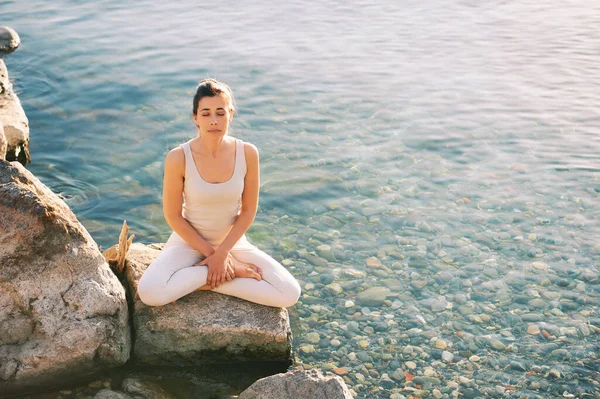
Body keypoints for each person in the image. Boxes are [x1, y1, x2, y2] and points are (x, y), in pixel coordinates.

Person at [137, 78, 301, 308]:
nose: (213, 121)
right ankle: (222, 274)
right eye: (206, 113)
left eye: (220, 113)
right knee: (149, 292)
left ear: (230, 114)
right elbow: (173, 215)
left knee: (289, 293)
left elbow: (248, 210)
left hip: (233, 243)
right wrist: (213, 256)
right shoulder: (178, 157)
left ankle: (198, 281)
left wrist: (223, 255)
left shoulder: (247, 153)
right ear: (195, 117)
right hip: (188, 242)